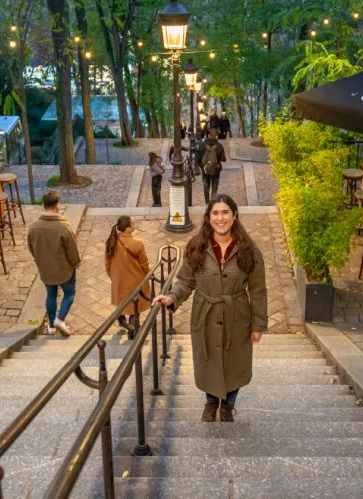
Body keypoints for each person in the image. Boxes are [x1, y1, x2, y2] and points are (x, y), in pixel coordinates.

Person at [153, 195, 267, 422]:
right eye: (215, 213)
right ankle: (211, 402)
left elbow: (257, 290)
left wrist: (258, 324)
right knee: (210, 359)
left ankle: (228, 405)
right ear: (209, 217)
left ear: (234, 216)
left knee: (235, 362)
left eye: (225, 212)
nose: (221, 218)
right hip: (205, 314)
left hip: (237, 314)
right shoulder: (197, 246)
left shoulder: (249, 249)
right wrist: (172, 297)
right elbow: (186, 281)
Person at [27, 190, 80, 337]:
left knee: (51, 295)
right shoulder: (63, 226)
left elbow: (31, 247)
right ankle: (60, 319)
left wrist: (40, 260)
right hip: (64, 269)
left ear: (43, 205)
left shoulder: (33, 227)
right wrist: (76, 263)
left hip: (45, 269)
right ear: (57, 206)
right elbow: (72, 249)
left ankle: (51, 326)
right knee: (69, 292)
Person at [104, 215, 151, 332]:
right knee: (135, 306)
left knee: (121, 302)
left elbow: (107, 263)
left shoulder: (111, 242)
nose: (135, 226)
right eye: (133, 224)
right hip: (136, 279)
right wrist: (148, 275)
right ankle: (132, 330)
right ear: (128, 229)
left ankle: (121, 319)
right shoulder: (138, 243)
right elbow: (144, 264)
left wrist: (113, 276)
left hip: (119, 280)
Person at [197, 129, 227, 203]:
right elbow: (224, 159)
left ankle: (207, 202)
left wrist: (203, 167)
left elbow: (198, 159)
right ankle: (212, 203)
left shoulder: (202, 145)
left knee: (205, 185)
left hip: (205, 170)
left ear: (208, 135)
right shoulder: (219, 146)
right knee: (214, 186)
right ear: (216, 136)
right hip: (216, 170)